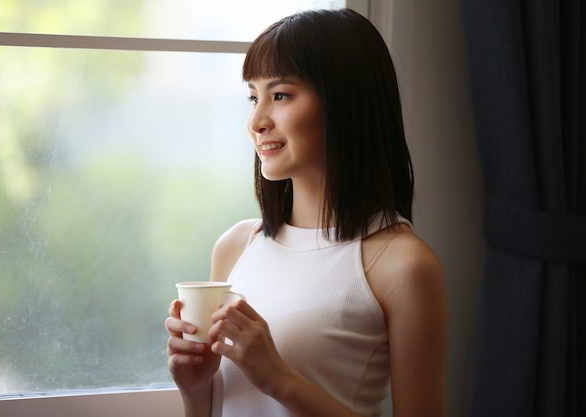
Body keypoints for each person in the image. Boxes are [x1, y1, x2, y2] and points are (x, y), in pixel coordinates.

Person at [165, 8, 448, 417]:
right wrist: (195, 390)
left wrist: (280, 379)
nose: (256, 121)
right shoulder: (235, 247)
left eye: (280, 95)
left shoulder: (403, 266)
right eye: (253, 96)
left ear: (344, 103)